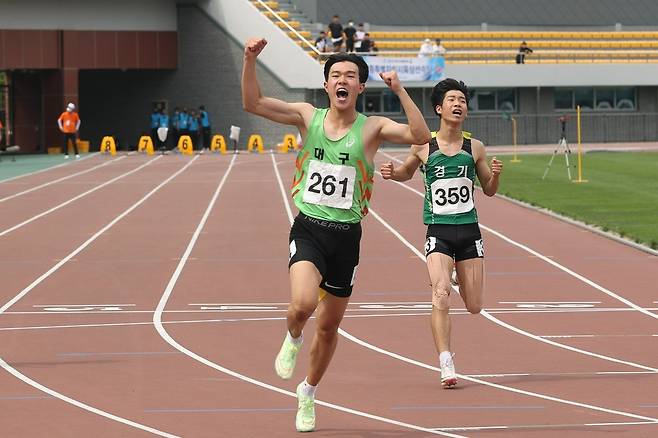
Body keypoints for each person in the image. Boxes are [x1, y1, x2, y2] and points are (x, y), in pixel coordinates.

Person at [242, 38, 429, 432]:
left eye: (350, 76)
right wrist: (249, 60)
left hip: (347, 237)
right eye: (335, 75)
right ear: (326, 85)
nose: (342, 80)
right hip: (309, 227)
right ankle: (292, 335)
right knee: (303, 303)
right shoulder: (307, 116)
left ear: (361, 87)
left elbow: (420, 136)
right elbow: (253, 104)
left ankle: (307, 393)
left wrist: (399, 89)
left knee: (328, 328)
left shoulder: (373, 127)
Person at [380, 78, 503, 389]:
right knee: (440, 292)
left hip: (470, 230)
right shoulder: (424, 146)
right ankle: (445, 361)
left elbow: (488, 190)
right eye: (452, 99)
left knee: (475, 306)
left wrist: (496, 176)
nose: (458, 104)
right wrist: (394, 174)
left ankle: (458, 277)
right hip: (439, 230)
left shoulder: (475, 147)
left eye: (462, 100)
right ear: (439, 108)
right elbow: (407, 171)